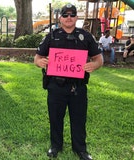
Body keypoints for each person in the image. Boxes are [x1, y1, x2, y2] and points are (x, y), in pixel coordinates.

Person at [34, 4, 103, 160]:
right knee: (55, 118)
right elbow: (37, 57)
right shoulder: (51, 36)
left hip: (78, 87)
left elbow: (99, 58)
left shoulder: (85, 36)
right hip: (56, 86)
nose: (69, 18)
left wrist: (95, 65)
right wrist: (40, 62)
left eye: (72, 15)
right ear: (60, 18)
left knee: (79, 119)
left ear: (76, 18)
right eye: (65, 15)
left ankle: (80, 149)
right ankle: (55, 146)